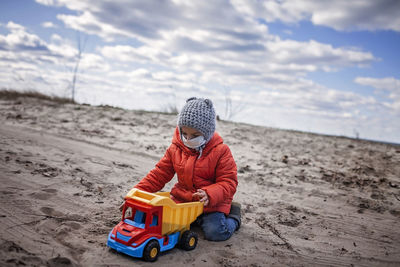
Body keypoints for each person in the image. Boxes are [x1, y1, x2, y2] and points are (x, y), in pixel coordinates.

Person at [133, 97, 240, 241]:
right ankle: (195, 220)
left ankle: (234, 216)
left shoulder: (221, 151)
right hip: (183, 200)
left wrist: (210, 194)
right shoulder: (176, 148)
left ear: (207, 133)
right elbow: (159, 174)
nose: (188, 139)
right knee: (158, 221)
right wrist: (136, 194)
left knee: (215, 232)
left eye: (195, 135)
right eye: (184, 133)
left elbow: (229, 182)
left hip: (211, 204)